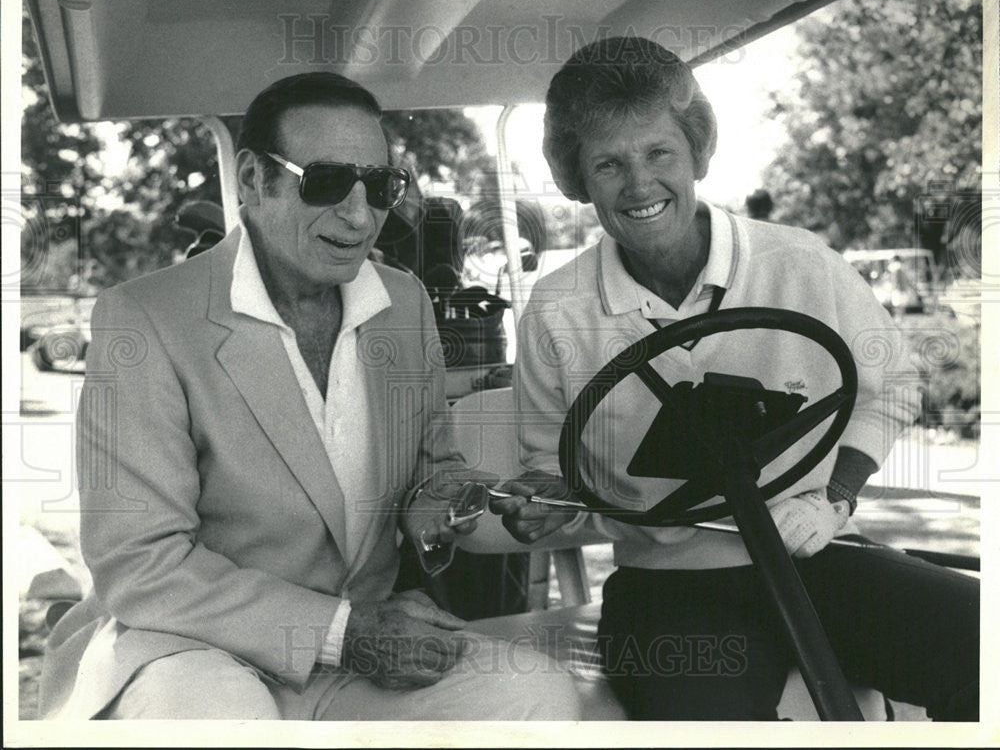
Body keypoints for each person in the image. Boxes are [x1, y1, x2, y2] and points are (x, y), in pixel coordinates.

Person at [39, 72, 581, 721]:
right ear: (251, 180)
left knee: (537, 696)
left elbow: (433, 468)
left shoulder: (403, 304)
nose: (358, 216)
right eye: (325, 181)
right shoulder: (144, 320)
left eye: (380, 187)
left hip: (353, 654)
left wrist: (456, 501)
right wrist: (346, 632)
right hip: (191, 651)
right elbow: (139, 562)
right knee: (222, 714)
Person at [490, 37, 979, 721]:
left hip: (817, 555)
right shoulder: (557, 309)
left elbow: (892, 383)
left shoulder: (800, 263)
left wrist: (833, 498)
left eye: (659, 153)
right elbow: (551, 467)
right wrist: (538, 502)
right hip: (666, 588)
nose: (639, 185)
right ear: (577, 179)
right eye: (608, 164)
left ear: (696, 151)